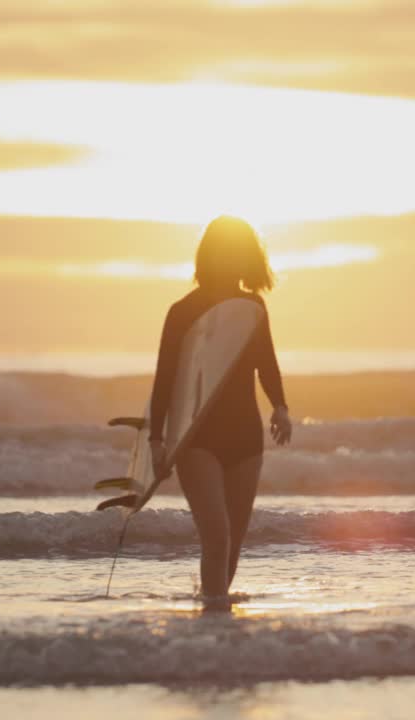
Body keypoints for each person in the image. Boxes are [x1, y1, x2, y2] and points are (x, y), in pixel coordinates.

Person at [148, 216, 293, 610]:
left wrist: (280, 406)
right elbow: (165, 379)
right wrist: (156, 440)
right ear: (209, 254)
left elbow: (267, 363)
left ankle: (214, 617)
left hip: (246, 436)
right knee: (217, 537)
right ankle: (214, 619)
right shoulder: (183, 311)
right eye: (224, 250)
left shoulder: (253, 307)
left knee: (232, 545)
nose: (232, 258)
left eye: (239, 251)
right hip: (198, 437)